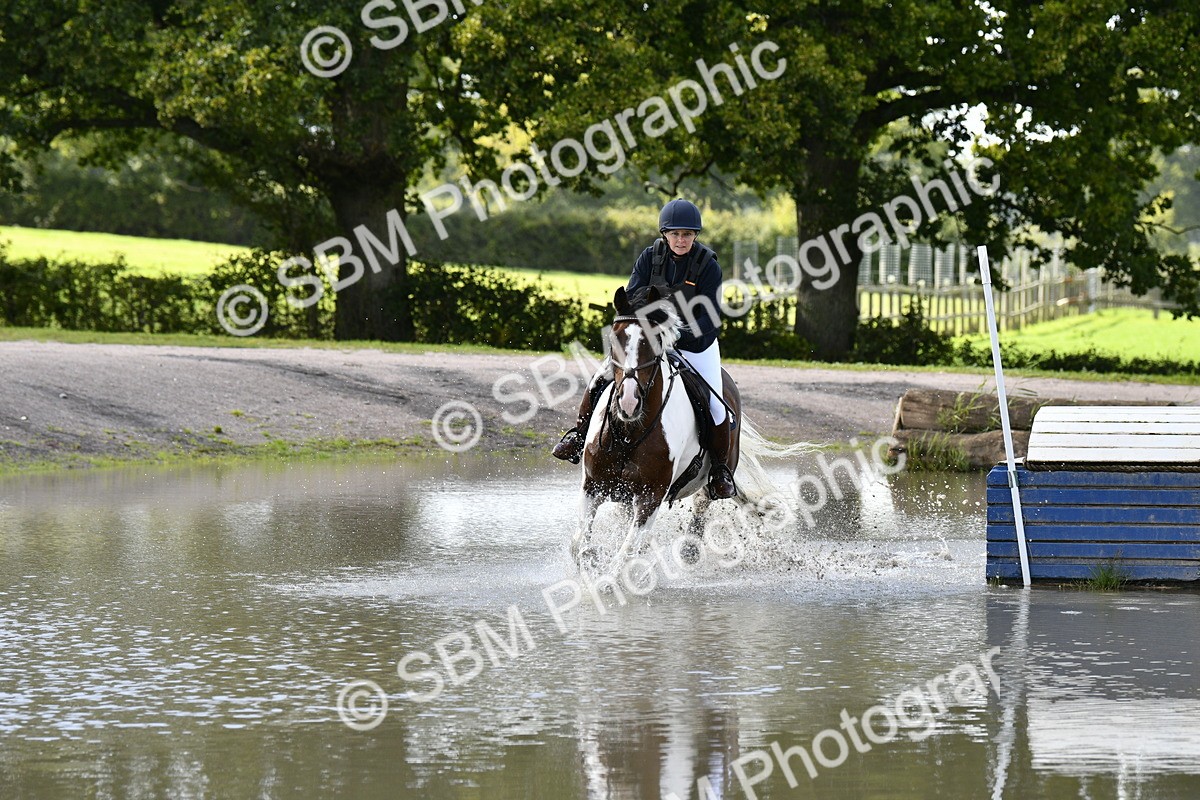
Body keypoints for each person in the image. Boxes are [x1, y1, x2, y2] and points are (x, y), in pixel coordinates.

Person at [552, 198, 737, 499]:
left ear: (695, 236)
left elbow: (710, 319)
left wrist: (675, 334)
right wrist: (647, 333)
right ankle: (578, 435)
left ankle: (719, 471)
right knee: (600, 379)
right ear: (665, 234)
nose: (681, 240)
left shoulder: (707, 266)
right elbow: (633, 299)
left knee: (716, 404)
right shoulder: (650, 257)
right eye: (675, 234)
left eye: (687, 234)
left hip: (697, 344)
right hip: (647, 340)